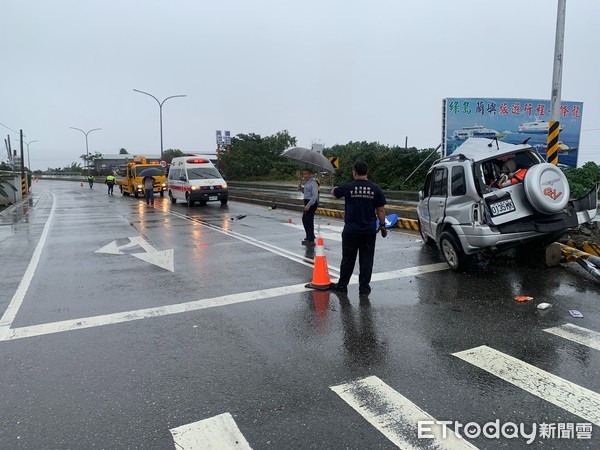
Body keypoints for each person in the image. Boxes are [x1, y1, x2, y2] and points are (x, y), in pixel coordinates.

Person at [330, 160, 387, 296]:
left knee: (348, 259)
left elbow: (334, 193)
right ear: (367, 172)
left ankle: (342, 285)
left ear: (354, 172)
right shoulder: (375, 188)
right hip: (368, 231)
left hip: (351, 231)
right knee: (366, 260)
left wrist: (334, 187)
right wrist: (383, 225)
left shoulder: (348, 187)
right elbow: (381, 210)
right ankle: (364, 288)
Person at [297, 168, 319, 247]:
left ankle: (310, 239)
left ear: (310, 174)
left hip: (311, 203)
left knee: (309, 220)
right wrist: (301, 189)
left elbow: (314, 196)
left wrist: (308, 205)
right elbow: (306, 193)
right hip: (307, 201)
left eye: (306, 174)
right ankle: (310, 236)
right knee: (305, 220)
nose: (304, 175)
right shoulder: (307, 183)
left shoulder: (313, 183)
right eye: (304, 174)